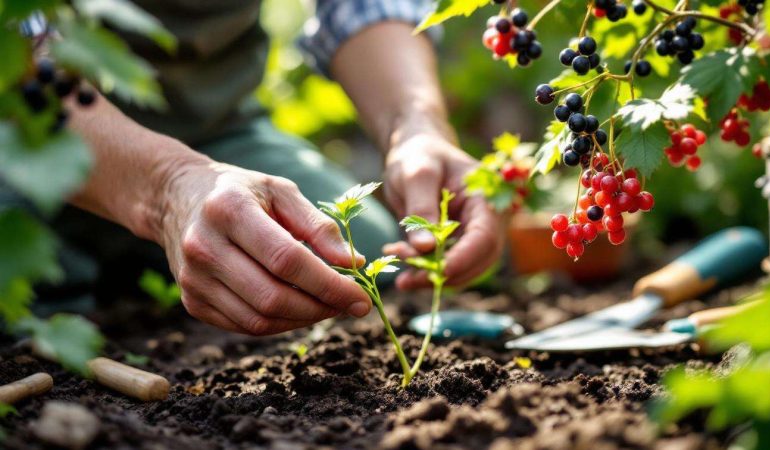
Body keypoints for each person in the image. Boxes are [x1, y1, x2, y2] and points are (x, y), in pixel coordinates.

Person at [22, 0, 503, 335]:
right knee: (28, 313)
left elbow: (363, 5)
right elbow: (17, 62)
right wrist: (167, 188)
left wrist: (413, 125)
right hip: (25, 141)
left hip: (214, 127)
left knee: (362, 272)